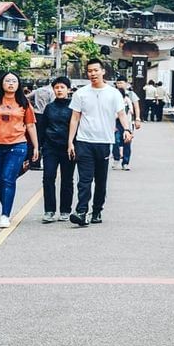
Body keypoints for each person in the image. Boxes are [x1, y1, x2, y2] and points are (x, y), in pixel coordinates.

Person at [67, 59, 133, 227]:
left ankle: (96, 210)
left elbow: (121, 114)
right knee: (84, 180)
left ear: (103, 72)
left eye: (96, 70)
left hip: (104, 142)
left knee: (101, 180)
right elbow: (75, 119)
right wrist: (70, 142)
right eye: (89, 71)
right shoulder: (80, 93)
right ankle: (81, 211)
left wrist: (127, 129)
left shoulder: (114, 93)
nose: (93, 73)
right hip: (84, 141)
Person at [0, 73, 40, 228]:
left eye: (14, 81)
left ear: (19, 84)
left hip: (17, 145)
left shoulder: (24, 103)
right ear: (2, 84)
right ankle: (7, 206)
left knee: (7, 178)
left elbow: (30, 126)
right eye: (7, 81)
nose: (11, 83)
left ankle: (5, 214)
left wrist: (36, 146)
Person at [41, 76, 76, 223]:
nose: (59, 90)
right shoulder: (49, 107)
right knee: (48, 177)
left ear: (68, 89)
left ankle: (65, 210)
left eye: (62, 87)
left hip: (68, 148)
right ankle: (49, 210)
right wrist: (41, 146)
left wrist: (74, 144)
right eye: (56, 87)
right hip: (50, 148)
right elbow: (42, 127)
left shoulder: (74, 107)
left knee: (67, 179)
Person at [112, 78, 141, 170]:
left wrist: (137, 118)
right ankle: (116, 158)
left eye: (121, 83)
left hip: (127, 122)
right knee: (115, 141)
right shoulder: (113, 93)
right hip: (115, 122)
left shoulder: (131, 95)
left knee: (127, 142)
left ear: (126, 83)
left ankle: (125, 162)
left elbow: (136, 107)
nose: (119, 84)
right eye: (118, 83)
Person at [29, 81, 54, 170]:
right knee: (45, 140)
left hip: (36, 115)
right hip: (46, 115)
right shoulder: (51, 92)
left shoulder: (38, 90)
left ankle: (33, 162)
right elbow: (52, 104)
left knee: (35, 139)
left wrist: (31, 106)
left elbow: (27, 97)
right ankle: (42, 162)